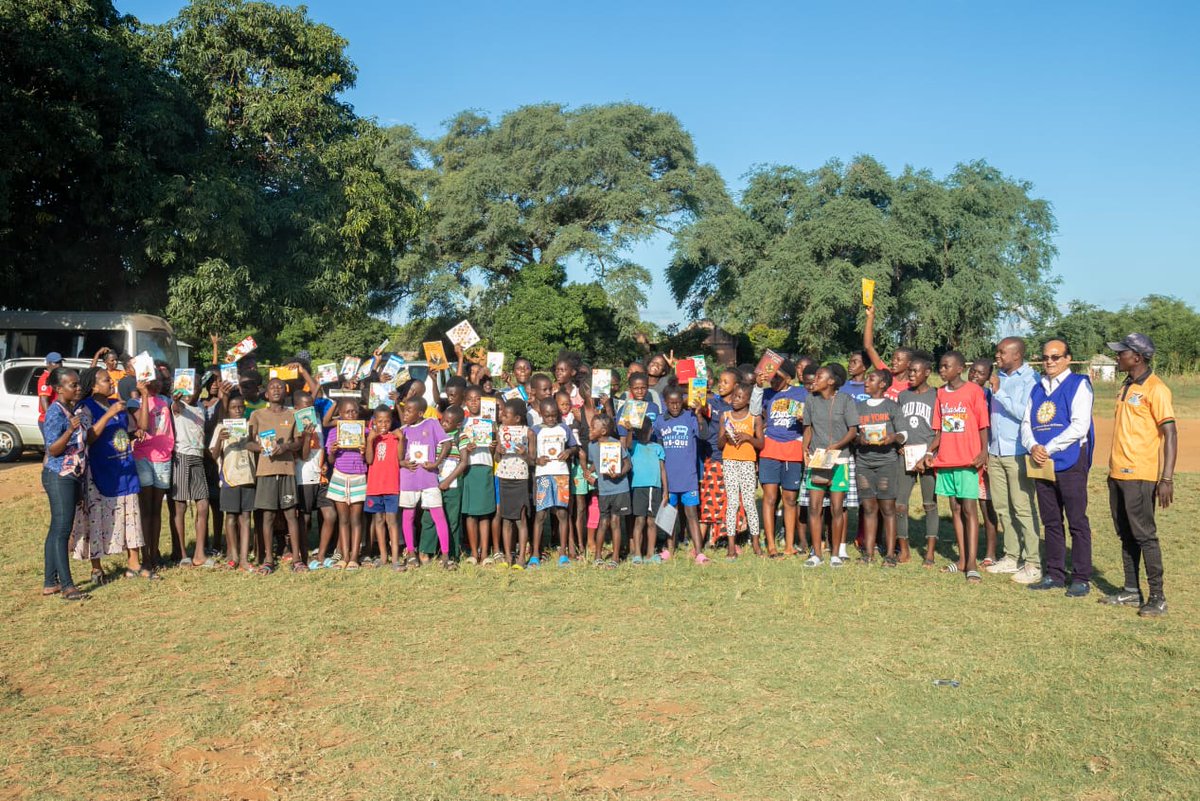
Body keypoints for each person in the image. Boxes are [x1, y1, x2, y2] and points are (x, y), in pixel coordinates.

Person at [1103, 333, 1176, 617]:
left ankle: (1158, 597)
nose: (1117, 356)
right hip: (1117, 473)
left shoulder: (1156, 389)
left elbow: (1170, 433)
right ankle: (1131, 591)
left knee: (1145, 536)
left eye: (1121, 352)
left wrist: (1166, 478)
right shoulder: (1126, 385)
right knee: (1126, 534)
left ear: (1137, 357)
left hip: (1140, 474)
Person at [1021, 338, 1094, 597]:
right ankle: (1054, 573)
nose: (1049, 362)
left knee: (1077, 521)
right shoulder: (1037, 388)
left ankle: (1081, 577)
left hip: (1070, 460)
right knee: (1051, 521)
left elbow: (1080, 425)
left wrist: (1048, 447)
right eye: (1045, 357)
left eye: (1055, 357)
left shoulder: (1079, 384)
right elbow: (1026, 423)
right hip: (1041, 462)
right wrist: (1032, 446)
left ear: (1067, 358)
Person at [69, 368, 150, 582]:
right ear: (94, 386)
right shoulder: (85, 408)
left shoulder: (118, 404)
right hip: (99, 470)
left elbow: (138, 426)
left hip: (123, 467)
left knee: (130, 514)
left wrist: (134, 431)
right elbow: (88, 437)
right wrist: (108, 414)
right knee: (96, 517)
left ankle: (134, 564)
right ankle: (97, 568)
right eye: (106, 380)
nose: (111, 383)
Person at [925, 352, 989, 583]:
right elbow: (940, 430)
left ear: (960, 368)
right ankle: (961, 559)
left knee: (969, 509)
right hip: (946, 460)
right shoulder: (941, 394)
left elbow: (983, 424)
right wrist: (929, 452)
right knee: (955, 508)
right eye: (940, 366)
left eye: (946, 366)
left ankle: (972, 564)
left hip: (968, 460)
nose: (942, 370)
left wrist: (983, 451)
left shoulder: (974, 391)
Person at [985, 337, 1043, 584]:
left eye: (1002, 352)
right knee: (1002, 507)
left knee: (1022, 507)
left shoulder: (1031, 380)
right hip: (995, 451)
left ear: (1017, 355)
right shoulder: (999, 377)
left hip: (1018, 451)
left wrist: (999, 393)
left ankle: (1033, 562)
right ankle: (1011, 556)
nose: (997, 356)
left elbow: (1026, 414)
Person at [801, 366, 859, 567]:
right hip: (817, 460)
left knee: (836, 508)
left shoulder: (845, 400)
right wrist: (804, 449)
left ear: (832, 381)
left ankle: (835, 554)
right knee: (814, 507)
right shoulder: (810, 400)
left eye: (819, 377)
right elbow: (807, 428)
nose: (814, 380)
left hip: (839, 460)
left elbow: (853, 431)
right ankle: (816, 554)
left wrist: (836, 446)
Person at [40, 367, 88, 601]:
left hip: (72, 475)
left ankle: (51, 582)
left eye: (78, 384)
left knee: (56, 529)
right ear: (59, 389)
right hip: (59, 475)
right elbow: (53, 449)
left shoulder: (72, 408)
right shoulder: (55, 413)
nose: (78, 388)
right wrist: (70, 429)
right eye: (73, 385)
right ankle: (68, 586)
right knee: (62, 531)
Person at [247, 377, 303, 572]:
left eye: (280, 387)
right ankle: (269, 559)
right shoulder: (257, 415)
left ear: (285, 391)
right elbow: (248, 442)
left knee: (291, 515)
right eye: (273, 387)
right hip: (266, 471)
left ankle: (297, 559)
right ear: (266, 393)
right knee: (268, 516)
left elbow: (298, 442)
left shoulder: (293, 414)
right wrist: (262, 448)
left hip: (287, 470)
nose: (277, 389)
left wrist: (285, 446)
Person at [854, 369, 906, 565]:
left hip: (887, 463)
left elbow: (904, 434)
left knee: (888, 508)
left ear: (883, 384)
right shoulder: (858, 407)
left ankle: (890, 555)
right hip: (863, 463)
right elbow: (852, 434)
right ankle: (868, 553)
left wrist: (892, 438)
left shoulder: (892, 406)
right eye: (867, 378)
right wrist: (859, 439)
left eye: (871, 379)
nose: (866, 382)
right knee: (868, 508)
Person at [654, 385, 709, 563]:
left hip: (688, 476)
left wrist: (699, 415)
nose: (675, 406)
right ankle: (669, 549)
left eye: (678, 402)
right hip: (669, 478)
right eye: (671, 403)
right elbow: (658, 446)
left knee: (692, 513)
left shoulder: (690, 417)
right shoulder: (660, 421)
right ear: (665, 403)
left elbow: (704, 435)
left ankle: (699, 552)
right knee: (670, 515)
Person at [759, 359, 806, 557]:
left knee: (790, 499)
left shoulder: (801, 393)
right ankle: (771, 545)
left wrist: (804, 418)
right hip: (770, 448)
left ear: (788, 378)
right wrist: (757, 385)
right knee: (769, 497)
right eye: (771, 377)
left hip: (793, 448)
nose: (773, 381)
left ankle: (789, 545)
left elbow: (809, 417)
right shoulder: (766, 393)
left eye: (778, 377)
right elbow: (755, 410)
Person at [399, 397, 454, 569]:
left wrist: (436, 463)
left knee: (439, 516)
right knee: (408, 516)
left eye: (409, 411)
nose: (405, 414)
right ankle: (411, 553)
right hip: (409, 478)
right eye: (405, 410)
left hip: (429, 478)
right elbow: (398, 456)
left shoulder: (431, 423)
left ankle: (445, 555)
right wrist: (403, 463)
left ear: (420, 413)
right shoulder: (402, 430)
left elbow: (447, 444)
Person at [895, 352, 939, 565]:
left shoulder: (936, 395)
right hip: (906, 456)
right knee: (900, 504)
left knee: (929, 504)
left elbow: (941, 430)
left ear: (927, 372)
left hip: (928, 457)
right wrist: (899, 444)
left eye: (915, 371)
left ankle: (929, 552)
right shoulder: (903, 396)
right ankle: (904, 550)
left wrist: (930, 452)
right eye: (909, 371)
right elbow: (898, 424)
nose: (910, 374)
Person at [210, 395, 257, 572]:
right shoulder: (221, 427)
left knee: (245, 518)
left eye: (240, 407)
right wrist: (220, 439)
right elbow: (214, 456)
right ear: (227, 410)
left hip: (248, 477)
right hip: (229, 478)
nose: (237, 410)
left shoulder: (250, 426)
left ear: (244, 409)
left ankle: (244, 558)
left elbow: (259, 448)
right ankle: (234, 556)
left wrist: (251, 440)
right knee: (230, 517)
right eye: (233, 407)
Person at [531, 398, 579, 565]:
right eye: (547, 416)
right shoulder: (535, 430)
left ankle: (563, 553)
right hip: (543, 475)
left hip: (561, 475)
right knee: (541, 514)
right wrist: (537, 460)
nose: (551, 419)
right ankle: (535, 554)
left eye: (554, 415)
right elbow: (530, 455)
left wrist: (568, 452)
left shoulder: (564, 428)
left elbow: (574, 447)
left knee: (562, 513)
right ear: (541, 414)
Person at [717, 383, 763, 559]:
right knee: (732, 503)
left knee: (750, 503)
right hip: (729, 462)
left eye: (740, 397)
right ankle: (731, 547)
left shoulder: (754, 418)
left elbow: (761, 444)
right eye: (734, 396)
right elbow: (719, 444)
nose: (735, 400)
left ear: (748, 400)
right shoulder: (725, 416)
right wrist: (726, 437)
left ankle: (756, 545)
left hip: (747, 463)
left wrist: (748, 438)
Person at [133, 375, 173, 570]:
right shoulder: (135, 402)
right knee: (145, 509)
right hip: (143, 457)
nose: (156, 383)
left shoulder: (166, 401)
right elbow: (143, 426)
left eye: (158, 380)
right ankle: (145, 556)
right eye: (151, 380)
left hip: (163, 458)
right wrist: (143, 396)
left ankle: (154, 553)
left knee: (156, 510)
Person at [169, 383, 212, 567]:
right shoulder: (179, 406)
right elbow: (176, 407)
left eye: (192, 387)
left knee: (203, 504)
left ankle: (199, 554)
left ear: (200, 390)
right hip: (181, 456)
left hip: (198, 457)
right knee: (180, 506)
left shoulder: (201, 406)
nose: (188, 392)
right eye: (185, 387)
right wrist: (176, 400)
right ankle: (182, 554)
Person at [326, 398, 368, 568]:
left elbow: (369, 459)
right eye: (347, 412)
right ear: (340, 414)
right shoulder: (333, 432)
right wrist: (332, 451)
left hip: (358, 477)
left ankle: (354, 557)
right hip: (339, 476)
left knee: (356, 518)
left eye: (354, 411)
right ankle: (344, 556)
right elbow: (330, 460)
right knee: (343, 519)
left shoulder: (364, 431)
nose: (351, 415)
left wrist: (365, 450)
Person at [422, 405, 466, 562]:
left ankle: (451, 554)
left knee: (452, 520)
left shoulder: (461, 437)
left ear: (458, 424)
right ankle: (426, 550)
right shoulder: (435, 434)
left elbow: (464, 462)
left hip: (452, 485)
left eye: (448, 422)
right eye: (443, 420)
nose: (444, 424)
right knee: (429, 517)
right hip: (432, 483)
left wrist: (448, 481)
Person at [585, 412, 630, 566]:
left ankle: (615, 558)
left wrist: (619, 473)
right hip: (603, 490)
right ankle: (598, 556)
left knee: (615, 522)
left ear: (603, 431)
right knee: (603, 522)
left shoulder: (616, 444)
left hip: (619, 489)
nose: (590, 430)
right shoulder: (591, 446)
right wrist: (589, 471)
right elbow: (596, 462)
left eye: (593, 428)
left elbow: (627, 464)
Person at [459, 385, 498, 563]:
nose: (474, 402)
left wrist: (493, 446)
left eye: (477, 399)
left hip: (485, 467)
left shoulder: (490, 421)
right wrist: (466, 448)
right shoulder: (463, 422)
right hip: (469, 469)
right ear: (465, 402)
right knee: (470, 513)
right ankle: (474, 553)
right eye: (470, 399)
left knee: (484, 513)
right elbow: (458, 446)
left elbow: (495, 450)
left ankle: (485, 553)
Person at [493, 400, 533, 567]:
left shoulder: (528, 432)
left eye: (505, 415)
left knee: (521, 518)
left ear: (517, 418)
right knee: (506, 519)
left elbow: (532, 460)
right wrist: (498, 451)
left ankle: (521, 557)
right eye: (502, 415)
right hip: (504, 477)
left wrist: (524, 454)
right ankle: (508, 556)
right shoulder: (500, 431)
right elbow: (497, 459)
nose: (502, 417)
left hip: (521, 478)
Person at [365, 406, 402, 568]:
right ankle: (383, 556)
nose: (383, 424)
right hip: (374, 487)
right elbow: (369, 460)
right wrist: (369, 441)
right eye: (380, 421)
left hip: (392, 486)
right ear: (374, 421)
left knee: (392, 521)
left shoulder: (395, 438)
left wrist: (402, 439)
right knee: (378, 520)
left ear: (392, 421)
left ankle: (395, 558)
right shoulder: (371, 438)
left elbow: (400, 457)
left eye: (387, 421)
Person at [628, 417, 666, 564]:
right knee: (639, 521)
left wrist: (666, 491)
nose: (644, 436)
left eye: (646, 432)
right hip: (639, 489)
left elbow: (662, 470)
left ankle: (650, 554)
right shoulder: (634, 446)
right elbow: (626, 444)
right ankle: (637, 554)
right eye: (640, 433)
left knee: (652, 522)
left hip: (655, 488)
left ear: (652, 430)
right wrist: (630, 430)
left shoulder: (658, 448)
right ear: (636, 433)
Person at [863, 307, 912, 400]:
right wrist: (870, 317)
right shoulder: (886, 375)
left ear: (909, 364)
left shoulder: (911, 385)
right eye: (893, 359)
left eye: (898, 360)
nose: (893, 362)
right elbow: (868, 347)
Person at [37, 352, 65, 428]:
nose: (59, 365)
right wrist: (52, 419)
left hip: (60, 418)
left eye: (60, 362)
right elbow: (44, 400)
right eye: (56, 362)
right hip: (50, 420)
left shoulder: (57, 377)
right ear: (48, 364)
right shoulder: (46, 378)